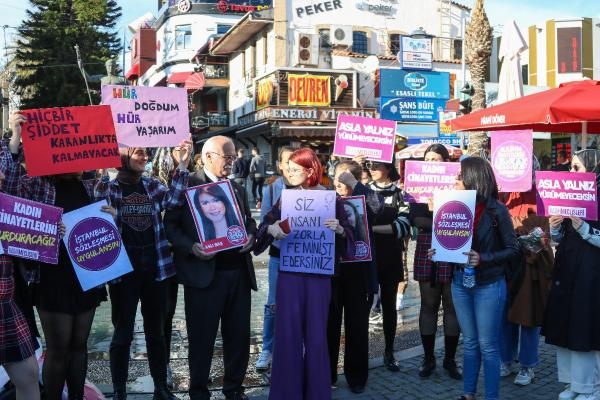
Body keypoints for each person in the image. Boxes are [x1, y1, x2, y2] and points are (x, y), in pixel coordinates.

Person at [12, 111, 115, 400]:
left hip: (86, 274)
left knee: (79, 346)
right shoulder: (37, 184)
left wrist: (111, 215)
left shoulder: (90, 184)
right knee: (57, 349)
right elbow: (10, 193)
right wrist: (17, 137)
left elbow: (106, 214)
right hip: (52, 275)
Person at [253, 147, 353, 400]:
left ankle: (316, 392)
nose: (289, 172)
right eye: (288, 168)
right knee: (287, 334)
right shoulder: (285, 198)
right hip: (289, 275)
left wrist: (340, 230)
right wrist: (271, 228)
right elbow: (261, 232)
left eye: (295, 169)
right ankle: (287, 393)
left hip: (319, 278)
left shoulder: (331, 199)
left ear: (310, 171)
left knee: (317, 335)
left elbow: (352, 241)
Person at [95, 142, 192, 400]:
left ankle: (160, 386)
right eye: (139, 153)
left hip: (155, 268)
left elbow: (174, 201)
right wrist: (113, 215)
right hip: (124, 271)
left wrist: (182, 163)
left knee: (156, 332)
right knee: (122, 334)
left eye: (145, 153)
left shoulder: (151, 185)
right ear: (124, 156)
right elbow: (94, 214)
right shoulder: (111, 187)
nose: (144, 157)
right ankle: (119, 391)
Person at [164, 136, 256, 400]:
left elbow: (248, 222)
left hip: (238, 272)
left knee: (238, 337)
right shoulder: (187, 184)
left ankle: (234, 389)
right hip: (203, 276)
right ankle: (199, 392)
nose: (231, 162)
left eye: (232, 157)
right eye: (226, 157)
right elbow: (170, 226)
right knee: (201, 340)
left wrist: (250, 237)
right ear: (207, 157)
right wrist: (192, 247)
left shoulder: (235, 188)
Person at [429, 156, 520, 400]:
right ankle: (468, 394)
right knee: (469, 343)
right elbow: (453, 244)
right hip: (460, 282)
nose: (455, 179)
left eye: (459, 175)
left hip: (489, 284)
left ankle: (491, 396)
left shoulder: (496, 210)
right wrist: (439, 251)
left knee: (488, 345)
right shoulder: (454, 205)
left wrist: (484, 258)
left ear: (473, 178)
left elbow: (513, 249)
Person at [543, 149, 600, 400]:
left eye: (577, 168)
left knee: (585, 326)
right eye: (571, 168)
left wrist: (585, 228)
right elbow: (559, 238)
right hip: (567, 266)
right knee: (565, 323)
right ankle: (572, 383)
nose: (571, 173)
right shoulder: (567, 193)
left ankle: (591, 386)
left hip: (592, 270)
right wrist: (554, 228)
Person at [328, 160, 382, 394]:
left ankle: (357, 376)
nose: (340, 182)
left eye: (346, 178)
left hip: (358, 271)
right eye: (337, 177)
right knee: (329, 325)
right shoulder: (327, 199)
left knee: (357, 325)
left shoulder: (365, 198)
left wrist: (357, 186)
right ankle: (327, 373)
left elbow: (378, 209)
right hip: (331, 271)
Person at [499, 157, 554, 386]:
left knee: (529, 316)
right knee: (504, 315)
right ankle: (506, 359)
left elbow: (543, 236)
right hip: (505, 264)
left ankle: (527, 365)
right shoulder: (502, 194)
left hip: (533, 266)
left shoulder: (543, 194)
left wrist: (517, 234)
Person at [409, 144, 462, 380]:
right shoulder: (416, 185)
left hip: (453, 242)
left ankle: (450, 359)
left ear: (446, 162)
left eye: (436, 158)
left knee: (452, 306)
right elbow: (416, 219)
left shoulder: (458, 186)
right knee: (429, 305)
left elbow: (463, 216)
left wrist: (440, 210)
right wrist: (435, 211)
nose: (431, 162)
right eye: (428, 158)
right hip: (426, 243)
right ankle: (428, 358)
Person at [0, 113, 40, 400]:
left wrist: (16, 136)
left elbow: (12, 180)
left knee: (28, 374)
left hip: (5, 301)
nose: (3, 173)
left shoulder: (6, 205)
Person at [365, 158, 411, 371]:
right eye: (370, 166)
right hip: (366, 256)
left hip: (390, 255)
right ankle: (360, 352)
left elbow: (403, 226)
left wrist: (373, 230)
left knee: (390, 306)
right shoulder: (364, 191)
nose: (372, 169)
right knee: (363, 305)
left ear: (388, 168)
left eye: (376, 165)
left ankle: (389, 351)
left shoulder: (400, 193)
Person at [255, 146, 294, 372]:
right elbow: (262, 225)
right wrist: (272, 228)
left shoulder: (312, 189)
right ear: (279, 165)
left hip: (303, 256)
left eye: (295, 161)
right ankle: (267, 349)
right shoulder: (271, 190)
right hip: (279, 254)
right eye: (287, 161)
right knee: (272, 303)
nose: (291, 166)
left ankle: (294, 347)